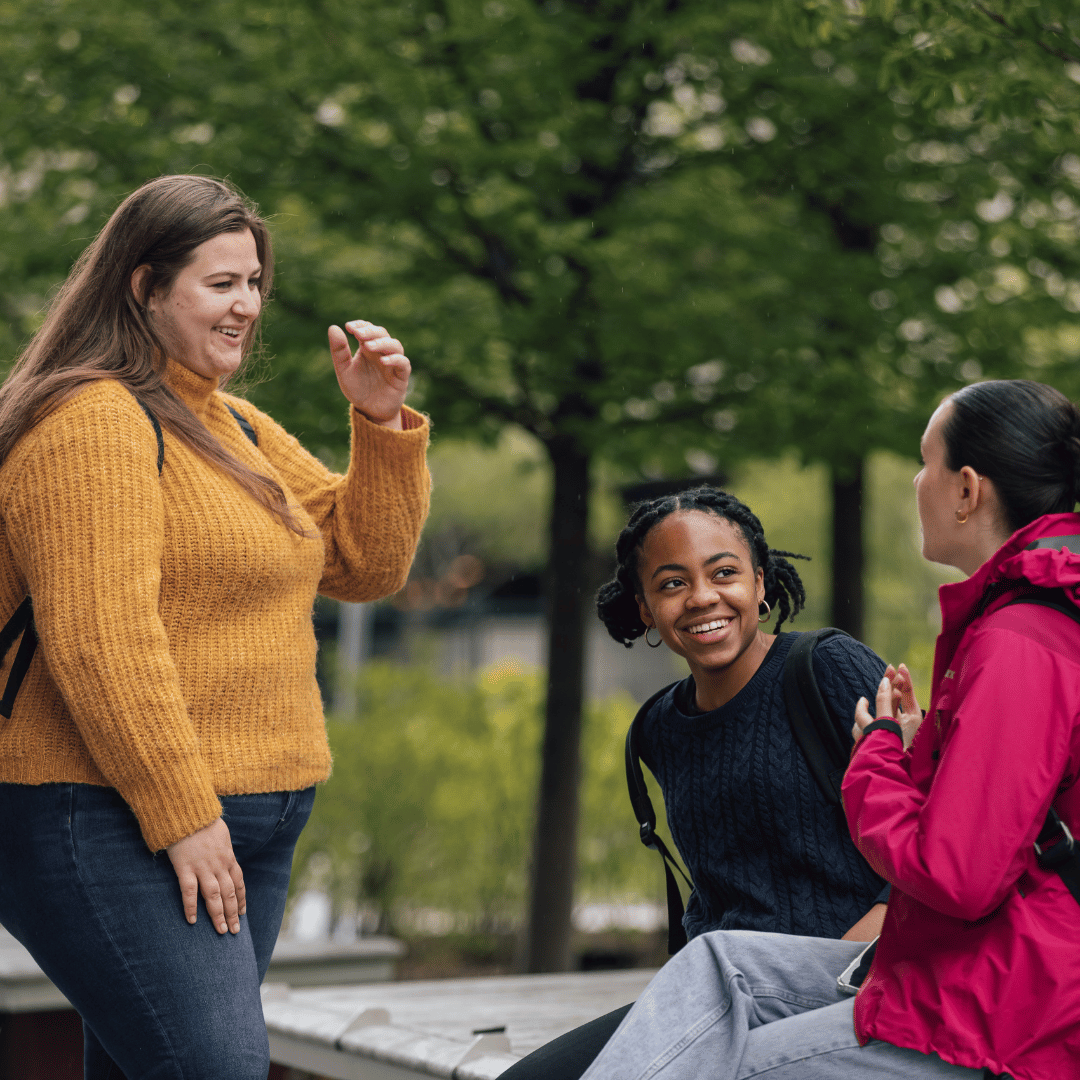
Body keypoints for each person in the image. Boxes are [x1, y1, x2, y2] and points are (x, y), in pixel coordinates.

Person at [0, 175, 430, 1080]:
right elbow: (102, 642)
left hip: (251, 817)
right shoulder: (91, 422)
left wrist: (380, 421)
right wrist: (184, 817)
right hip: (110, 811)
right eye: (221, 283)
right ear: (145, 287)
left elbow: (363, 563)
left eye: (255, 282)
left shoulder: (231, 423)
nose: (248, 305)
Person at [578, 379, 1080, 1079]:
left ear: (966, 489)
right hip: (974, 964)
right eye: (670, 584)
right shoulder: (1015, 623)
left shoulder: (1017, 639)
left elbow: (958, 875)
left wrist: (876, 759)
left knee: (726, 1066)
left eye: (925, 462)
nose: (916, 482)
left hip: (1013, 999)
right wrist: (918, 754)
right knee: (716, 963)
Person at [502, 486, 892, 1080]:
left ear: (760, 583)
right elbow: (719, 885)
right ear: (645, 608)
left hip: (853, 976)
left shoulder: (828, 667)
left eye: (724, 573)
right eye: (672, 583)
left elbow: (943, 836)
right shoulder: (659, 728)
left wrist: (839, 959)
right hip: (719, 992)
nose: (703, 597)